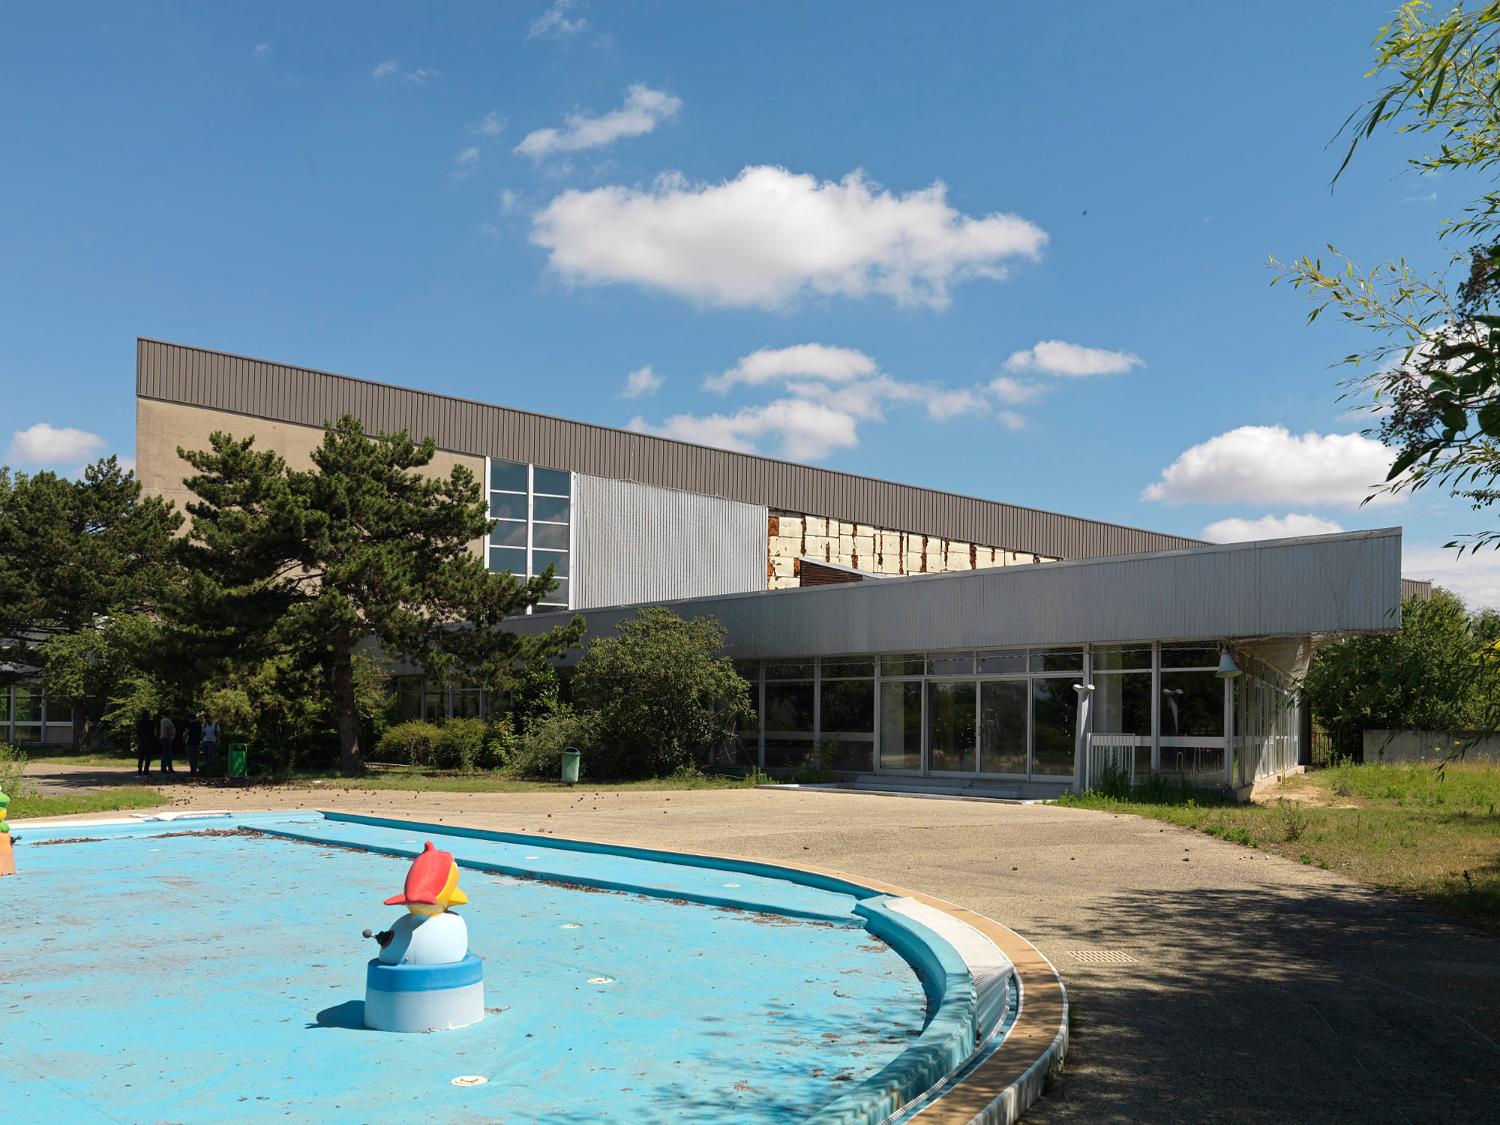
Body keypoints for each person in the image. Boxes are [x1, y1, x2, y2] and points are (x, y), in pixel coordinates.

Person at [134, 709, 155, 775]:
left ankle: (140, 769)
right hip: (148, 741)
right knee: (148, 756)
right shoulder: (150, 722)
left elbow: (137, 732)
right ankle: (146, 770)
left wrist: (140, 738)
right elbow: (152, 732)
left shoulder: (139, 722)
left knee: (141, 756)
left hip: (142, 741)